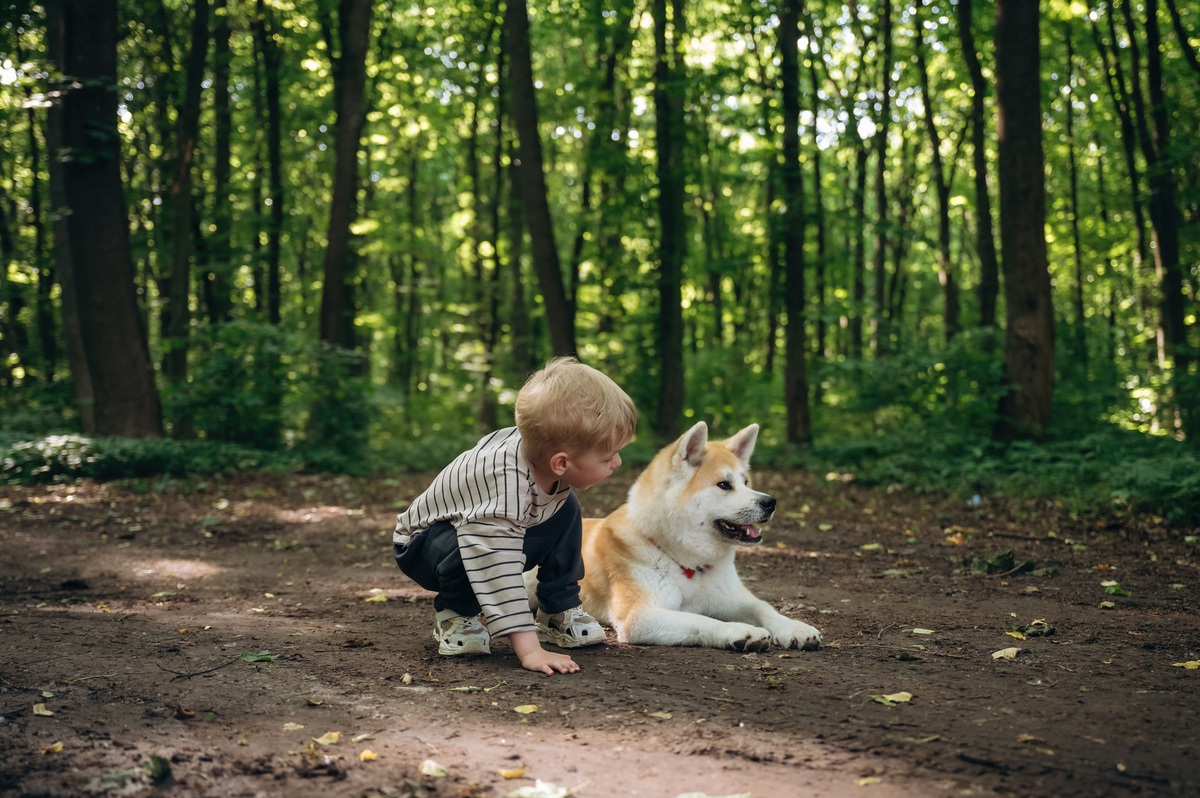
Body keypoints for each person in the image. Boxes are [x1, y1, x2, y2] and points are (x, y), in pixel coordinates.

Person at [392, 357, 637, 675]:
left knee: (566, 507)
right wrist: (530, 651)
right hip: (426, 544)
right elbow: (497, 563)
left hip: (487, 528)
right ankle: (456, 613)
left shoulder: (541, 454)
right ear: (560, 463)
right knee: (471, 542)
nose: (617, 462)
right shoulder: (505, 488)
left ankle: (556, 609)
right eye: (607, 457)